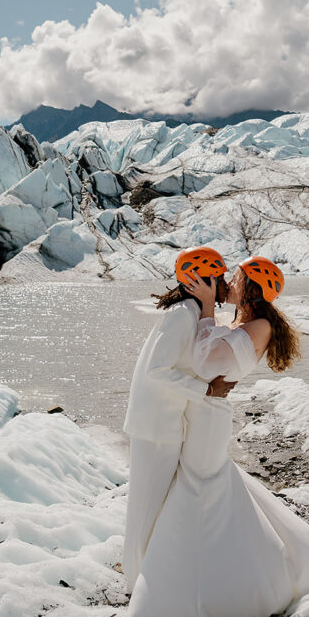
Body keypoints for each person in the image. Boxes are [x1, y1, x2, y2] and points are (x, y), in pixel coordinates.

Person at [127, 256, 309, 617]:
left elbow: (205, 360)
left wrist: (208, 310)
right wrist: (209, 316)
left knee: (199, 495)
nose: (230, 280)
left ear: (253, 287)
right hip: (199, 415)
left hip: (208, 421)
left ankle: (194, 597)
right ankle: (184, 577)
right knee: (208, 494)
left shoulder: (258, 326)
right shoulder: (241, 324)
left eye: (238, 277)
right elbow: (202, 357)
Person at [121, 246, 234, 593]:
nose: (226, 282)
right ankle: (136, 584)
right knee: (146, 505)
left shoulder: (187, 311)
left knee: (153, 503)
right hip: (156, 426)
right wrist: (205, 390)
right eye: (221, 275)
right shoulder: (181, 314)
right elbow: (157, 372)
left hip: (163, 423)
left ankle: (144, 575)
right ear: (206, 278)